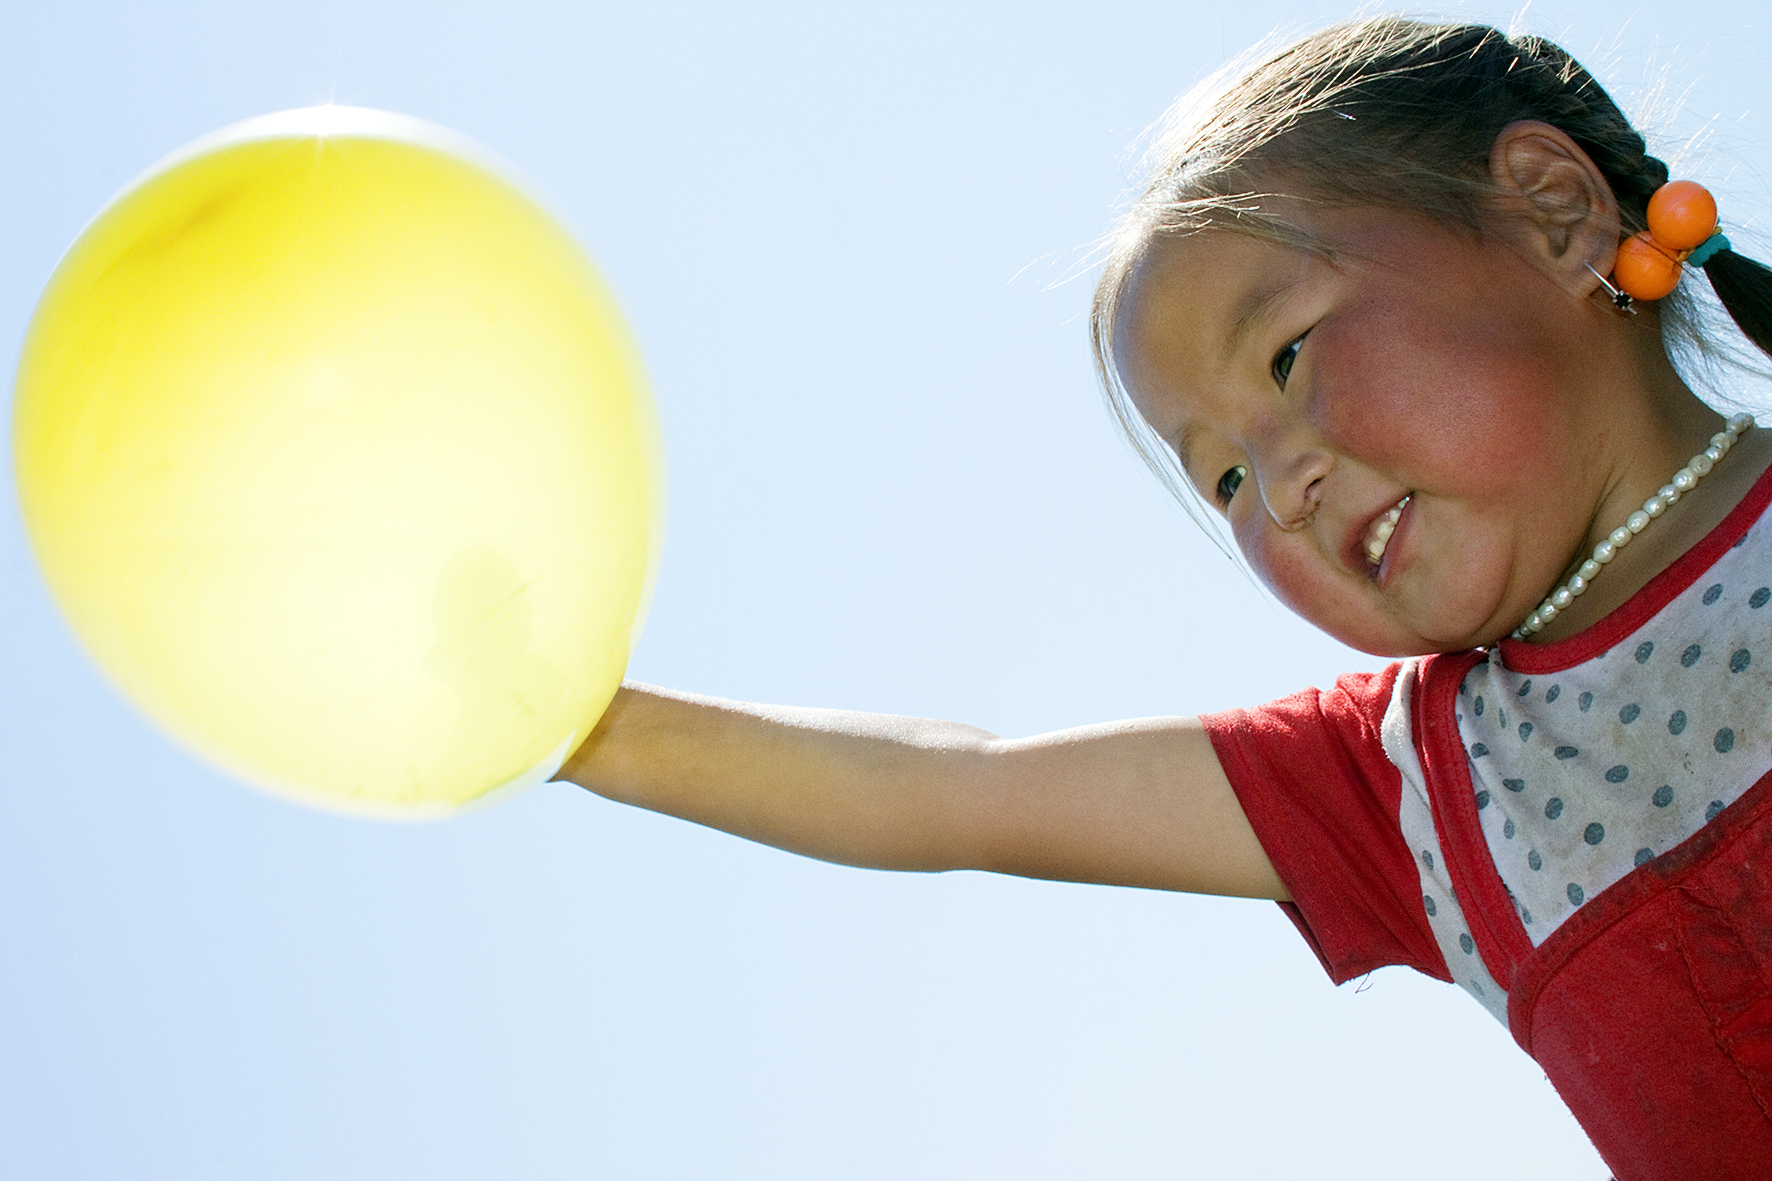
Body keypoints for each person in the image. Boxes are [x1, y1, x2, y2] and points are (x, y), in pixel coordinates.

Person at [556, 16, 1772, 1179]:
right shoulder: (1414, 786)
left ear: (1550, 214)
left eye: (1287, 354)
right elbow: (958, 792)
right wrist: (575, 718)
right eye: (1224, 476)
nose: (1280, 488)